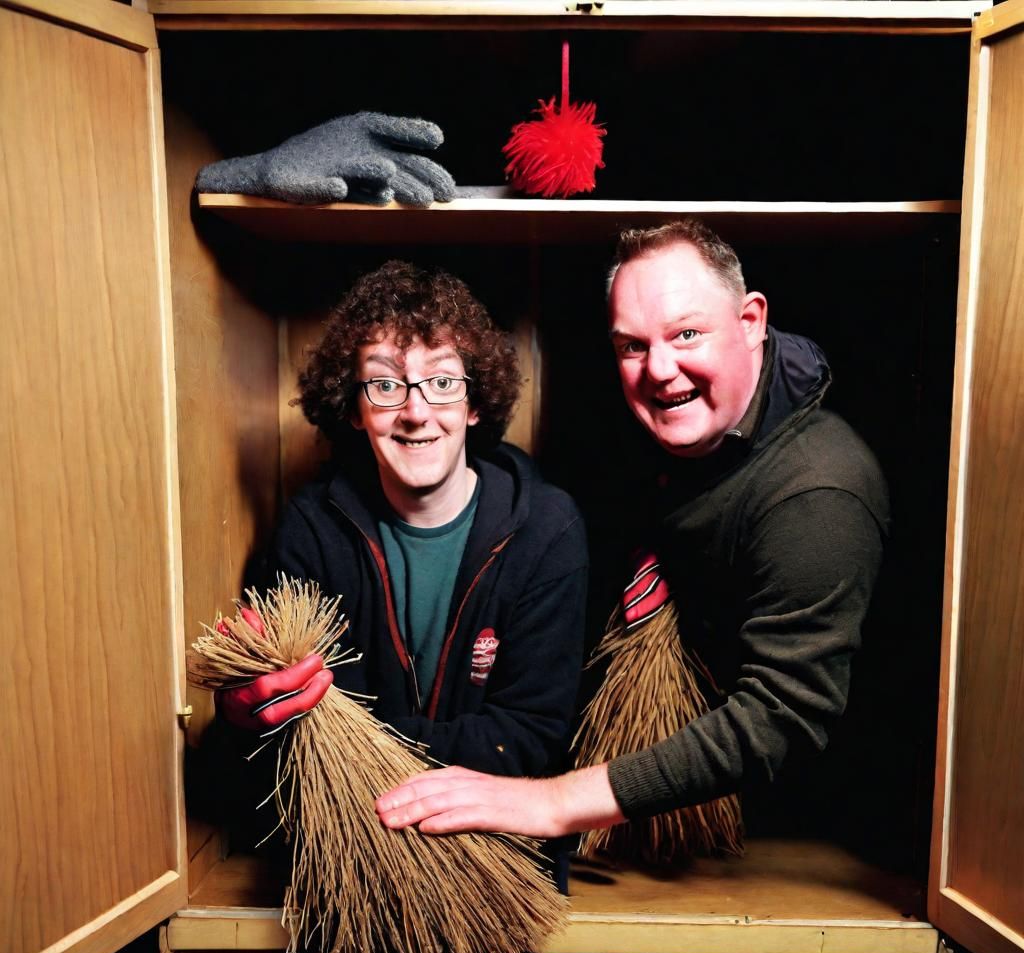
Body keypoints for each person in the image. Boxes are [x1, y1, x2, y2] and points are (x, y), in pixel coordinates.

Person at [375, 218, 890, 840]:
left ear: (751, 322)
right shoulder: (671, 417)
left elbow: (782, 715)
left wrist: (553, 803)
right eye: (632, 346)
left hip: (785, 834)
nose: (661, 370)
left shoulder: (817, 492)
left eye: (687, 333)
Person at [217, 260, 588, 837]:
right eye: (386, 385)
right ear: (354, 409)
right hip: (351, 834)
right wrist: (245, 706)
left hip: (500, 840)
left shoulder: (547, 529)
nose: (416, 412)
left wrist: (358, 740)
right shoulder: (310, 532)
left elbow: (531, 737)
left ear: (474, 403)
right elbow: (292, 740)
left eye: (442, 382)